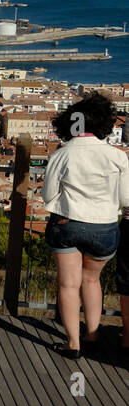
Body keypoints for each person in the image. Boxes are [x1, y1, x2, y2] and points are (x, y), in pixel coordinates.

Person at [40, 93, 129, 359]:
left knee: (69, 285)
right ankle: (92, 336)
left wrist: (68, 205)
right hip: (104, 226)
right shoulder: (118, 157)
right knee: (92, 281)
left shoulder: (63, 155)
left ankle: (73, 344)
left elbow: (47, 196)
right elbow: (126, 200)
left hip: (68, 223)